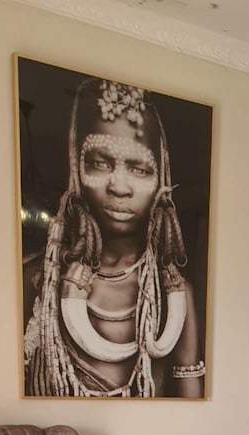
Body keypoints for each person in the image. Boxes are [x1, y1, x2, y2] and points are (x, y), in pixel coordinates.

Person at [23, 77, 204, 398]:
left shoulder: (174, 294)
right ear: (78, 172)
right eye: (100, 163)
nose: (119, 186)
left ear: (160, 181)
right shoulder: (39, 281)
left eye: (140, 169)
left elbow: (192, 404)